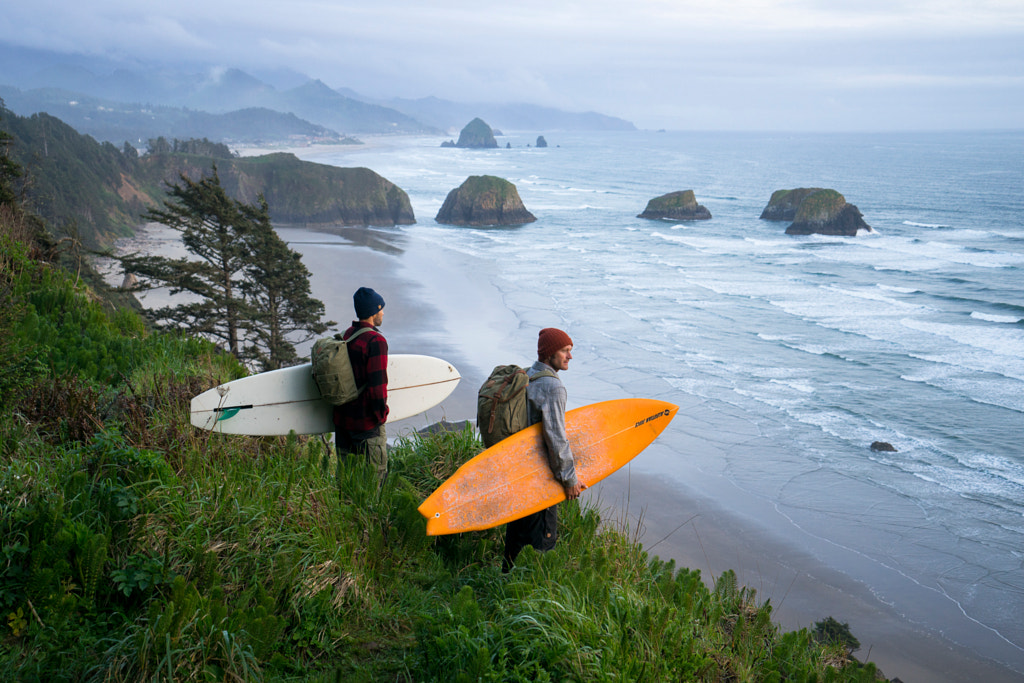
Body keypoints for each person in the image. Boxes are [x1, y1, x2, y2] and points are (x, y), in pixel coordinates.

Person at [503, 327, 585, 571]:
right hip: (540, 476)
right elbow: (556, 438)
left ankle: (504, 587)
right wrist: (569, 479)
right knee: (542, 545)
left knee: (516, 539)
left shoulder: (527, 375)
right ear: (549, 353)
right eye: (565, 351)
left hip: (518, 471)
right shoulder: (553, 387)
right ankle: (531, 596)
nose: (569, 357)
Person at [333, 286, 389, 483]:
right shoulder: (376, 341)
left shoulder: (346, 336)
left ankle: (343, 513)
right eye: (381, 308)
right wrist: (381, 416)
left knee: (346, 481)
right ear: (374, 312)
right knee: (373, 481)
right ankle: (369, 515)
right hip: (366, 424)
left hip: (342, 422)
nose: (382, 312)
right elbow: (378, 386)